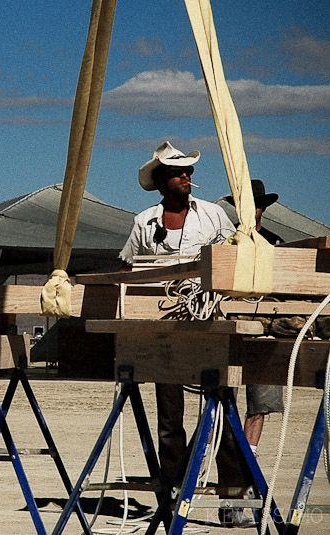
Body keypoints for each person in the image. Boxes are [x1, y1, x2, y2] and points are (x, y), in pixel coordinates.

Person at [119, 141, 253, 528]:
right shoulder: (144, 221)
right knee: (169, 418)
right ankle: (173, 494)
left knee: (222, 413)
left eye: (189, 172)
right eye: (179, 172)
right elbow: (128, 270)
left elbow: (236, 255)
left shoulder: (213, 215)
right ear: (162, 180)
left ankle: (232, 498)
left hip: (209, 321)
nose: (187, 177)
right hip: (163, 329)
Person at [225, 180, 285, 456]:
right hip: (232, 325)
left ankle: (249, 458)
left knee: (260, 401)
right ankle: (219, 458)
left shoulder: (275, 244)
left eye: (256, 205)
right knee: (223, 396)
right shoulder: (226, 243)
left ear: (263, 208)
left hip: (266, 326)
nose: (253, 209)